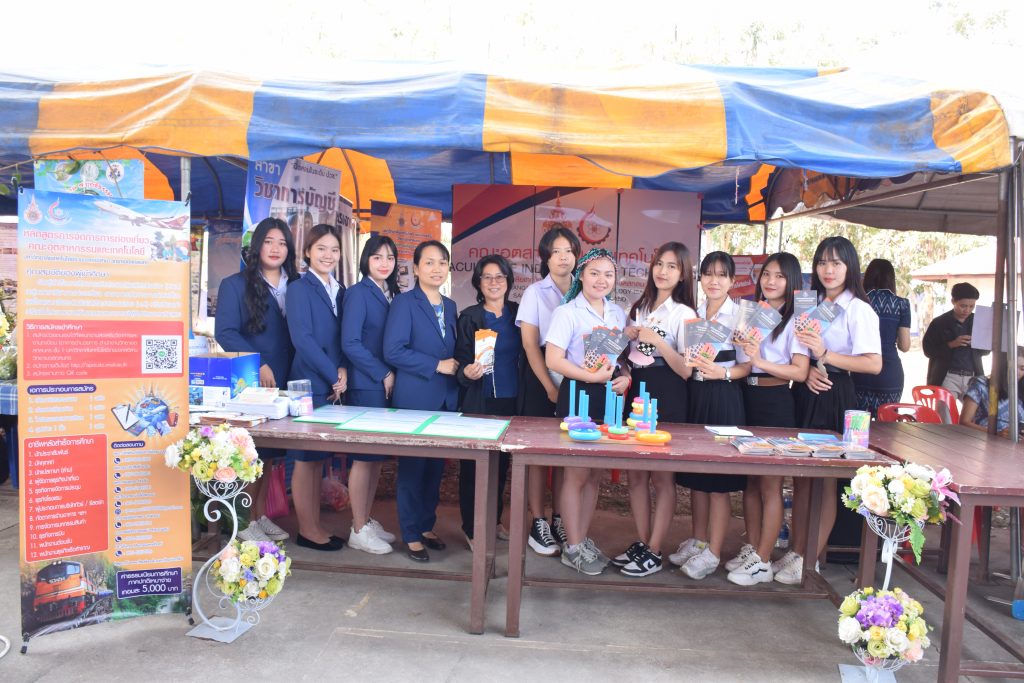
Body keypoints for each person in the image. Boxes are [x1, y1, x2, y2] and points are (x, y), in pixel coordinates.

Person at [782, 236, 881, 584]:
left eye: (836, 263)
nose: (828, 269)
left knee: (824, 481)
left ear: (850, 267)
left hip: (836, 392)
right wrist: (809, 368)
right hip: (806, 389)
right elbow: (799, 349)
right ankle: (795, 550)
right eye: (822, 262)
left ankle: (810, 559)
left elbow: (873, 364)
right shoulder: (809, 304)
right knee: (801, 478)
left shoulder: (858, 309)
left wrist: (825, 355)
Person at [611, 242, 696, 578]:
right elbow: (627, 358)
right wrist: (626, 346)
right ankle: (644, 543)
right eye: (659, 264)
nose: (663, 271)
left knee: (661, 476)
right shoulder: (640, 306)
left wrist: (658, 340)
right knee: (635, 474)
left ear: (683, 274)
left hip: (668, 392)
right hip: (638, 390)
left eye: (672, 266)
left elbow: (686, 369)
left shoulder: (685, 314)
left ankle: (655, 550)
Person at [545, 248, 629, 575]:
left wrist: (625, 376)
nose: (601, 280)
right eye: (594, 273)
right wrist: (590, 376)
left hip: (608, 396)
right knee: (576, 472)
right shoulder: (567, 312)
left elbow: (620, 359)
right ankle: (573, 546)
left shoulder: (617, 313)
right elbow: (554, 359)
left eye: (608, 274)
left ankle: (580, 538)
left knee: (594, 472)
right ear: (581, 275)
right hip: (578, 393)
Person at [215, 217, 297, 544]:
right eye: (269, 241)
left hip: (289, 379)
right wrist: (258, 363)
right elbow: (225, 332)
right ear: (257, 246)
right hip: (253, 385)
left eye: (282, 243)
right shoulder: (235, 284)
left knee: (272, 455)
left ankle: (261, 515)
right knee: (252, 454)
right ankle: (245, 523)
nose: (275, 249)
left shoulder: (297, 284)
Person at [731, 252, 809, 586]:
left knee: (770, 483)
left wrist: (760, 360)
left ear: (792, 282)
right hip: (745, 396)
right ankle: (752, 549)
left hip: (775, 400)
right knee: (750, 481)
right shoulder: (752, 313)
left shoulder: (798, 319)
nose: (771, 281)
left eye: (779, 276)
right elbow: (742, 359)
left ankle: (764, 560)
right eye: (766, 274)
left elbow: (800, 371)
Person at [672, 251, 750, 581]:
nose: (714, 280)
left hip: (724, 397)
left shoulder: (740, 315)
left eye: (721, 275)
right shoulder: (693, 312)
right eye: (708, 274)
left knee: (718, 481)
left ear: (732, 281)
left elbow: (748, 365)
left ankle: (714, 553)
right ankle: (699, 540)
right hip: (696, 394)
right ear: (700, 278)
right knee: (698, 477)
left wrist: (724, 373)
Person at [383, 240, 459, 562]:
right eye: (429, 262)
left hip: (446, 399)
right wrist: (436, 365)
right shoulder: (404, 303)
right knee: (413, 469)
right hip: (415, 398)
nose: (436, 268)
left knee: (434, 468)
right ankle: (411, 534)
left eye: (442, 262)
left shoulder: (450, 306)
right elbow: (393, 350)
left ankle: (427, 525)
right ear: (415, 268)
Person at [516, 227, 581, 556]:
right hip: (541, 375)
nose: (563, 257)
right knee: (539, 454)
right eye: (556, 251)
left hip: (576, 376)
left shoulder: (584, 289)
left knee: (567, 452)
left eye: (568, 250)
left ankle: (559, 518)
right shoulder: (534, 293)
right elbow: (530, 345)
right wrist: (549, 387)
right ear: (546, 257)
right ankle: (538, 521)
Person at [286, 223, 348, 551]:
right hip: (308, 382)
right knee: (305, 458)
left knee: (317, 459)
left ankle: (314, 525)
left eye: (334, 250)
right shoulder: (299, 288)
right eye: (321, 248)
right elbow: (303, 339)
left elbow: (342, 337)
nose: (328, 255)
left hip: (330, 382)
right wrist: (332, 374)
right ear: (308, 251)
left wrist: (342, 370)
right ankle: (307, 530)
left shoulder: (339, 289)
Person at [454, 255, 520, 549]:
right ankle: (471, 528)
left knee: (502, 466)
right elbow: (460, 362)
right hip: (480, 402)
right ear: (478, 283)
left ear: (508, 281)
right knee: (474, 468)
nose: (494, 282)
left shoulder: (518, 314)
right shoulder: (470, 317)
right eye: (487, 277)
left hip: (512, 401)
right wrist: (466, 373)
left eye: (500, 277)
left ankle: (494, 520)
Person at [341, 234, 401, 555]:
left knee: (376, 457)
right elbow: (350, 343)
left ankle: (365, 518)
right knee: (364, 457)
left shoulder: (392, 293)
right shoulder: (358, 293)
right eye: (377, 257)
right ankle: (357, 528)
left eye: (390, 257)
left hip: (385, 385)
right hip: (367, 384)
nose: (384, 263)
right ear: (366, 260)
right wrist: (382, 373)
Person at [853, 259, 911, 417]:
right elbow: (905, 346)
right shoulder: (902, 304)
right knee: (887, 425)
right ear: (891, 279)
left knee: (858, 424)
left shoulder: (858, 302)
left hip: (861, 370)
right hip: (890, 372)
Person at [922, 282, 986, 400]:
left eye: (971, 306)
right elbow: (928, 351)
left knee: (975, 411)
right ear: (953, 301)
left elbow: (986, 351)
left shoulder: (978, 322)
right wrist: (951, 344)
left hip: (973, 376)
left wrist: (979, 342)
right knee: (944, 411)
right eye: (963, 306)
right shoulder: (939, 323)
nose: (967, 310)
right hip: (947, 376)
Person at [960, 347, 1024, 436]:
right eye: (1013, 366)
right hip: (984, 439)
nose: (1016, 372)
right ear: (1003, 365)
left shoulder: (1021, 390)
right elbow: (964, 422)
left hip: (1017, 442)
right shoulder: (981, 385)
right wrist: (996, 434)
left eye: (1022, 369)